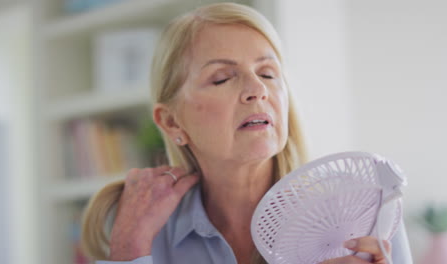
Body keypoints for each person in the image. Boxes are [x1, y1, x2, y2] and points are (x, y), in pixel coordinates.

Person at [82, 2, 413, 264]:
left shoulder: (368, 211)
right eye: (222, 78)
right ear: (171, 122)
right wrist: (129, 250)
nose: (257, 90)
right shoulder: (136, 228)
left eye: (268, 73)